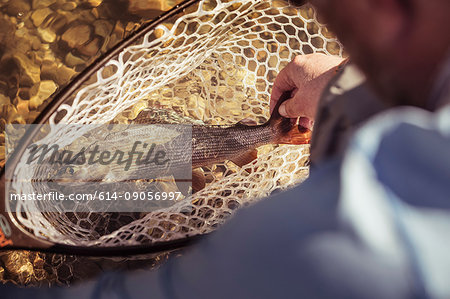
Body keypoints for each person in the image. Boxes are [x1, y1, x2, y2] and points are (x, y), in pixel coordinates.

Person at [2, 0, 450, 297]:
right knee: (106, 157)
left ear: (394, 12)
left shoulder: (321, 240)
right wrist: (341, 88)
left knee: (94, 160)